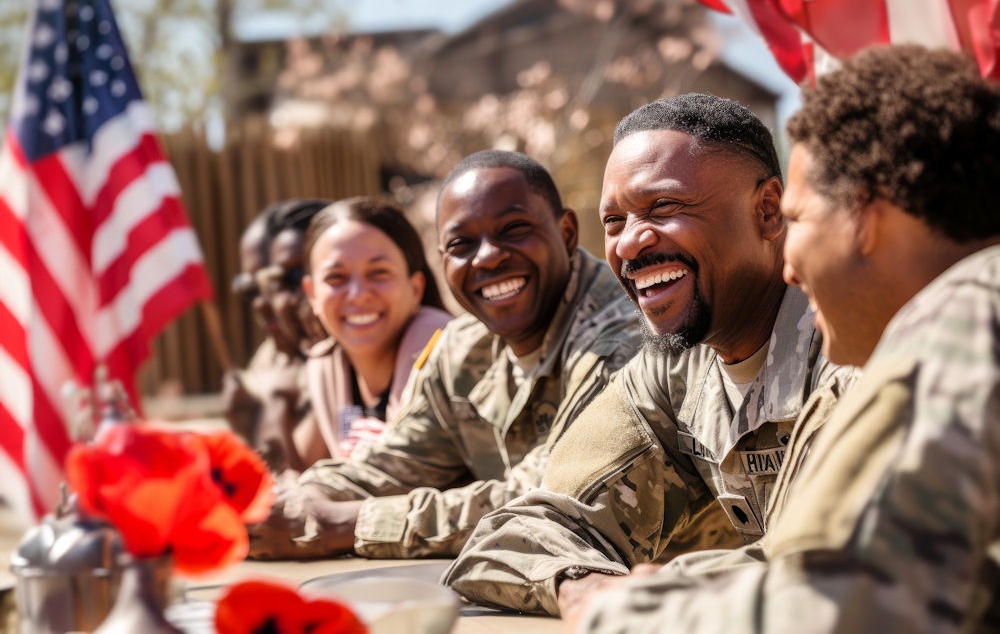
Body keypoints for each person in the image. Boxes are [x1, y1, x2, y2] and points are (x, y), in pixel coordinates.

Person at [561, 45, 1000, 633]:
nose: (789, 267)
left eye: (800, 218)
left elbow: (850, 610)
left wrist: (626, 612)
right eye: (614, 222)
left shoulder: (967, 318)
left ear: (865, 213)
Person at [443, 94, 855, 615]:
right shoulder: (670, 368)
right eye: (613, 221)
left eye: (664, 207)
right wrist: (586, 589)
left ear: (767, 210)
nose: (630, 244)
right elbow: (512, 532)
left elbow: (831, 571)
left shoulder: (852, 339)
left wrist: (653, 595)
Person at [246, 150, 643, 560]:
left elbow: (550, 499)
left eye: (514, 229)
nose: (488, 256)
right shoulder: (462, 347)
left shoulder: (621, 342)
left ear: (566, 232)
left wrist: (346, 524)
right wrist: (293, 505)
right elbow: (393, 464)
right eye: (461, 244)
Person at [265, 197, 452, 469]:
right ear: (312, 294)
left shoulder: (439, 341)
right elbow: (303, 474)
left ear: (416, 288)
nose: (358, 294)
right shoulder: (327, 364)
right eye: (336, 278)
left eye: (378, 273)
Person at [221, 199, 330, 470]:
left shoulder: (354, 349)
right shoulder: (272, 357)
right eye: (250, 290)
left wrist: (275, 408)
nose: (262, 303)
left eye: (288, 278)